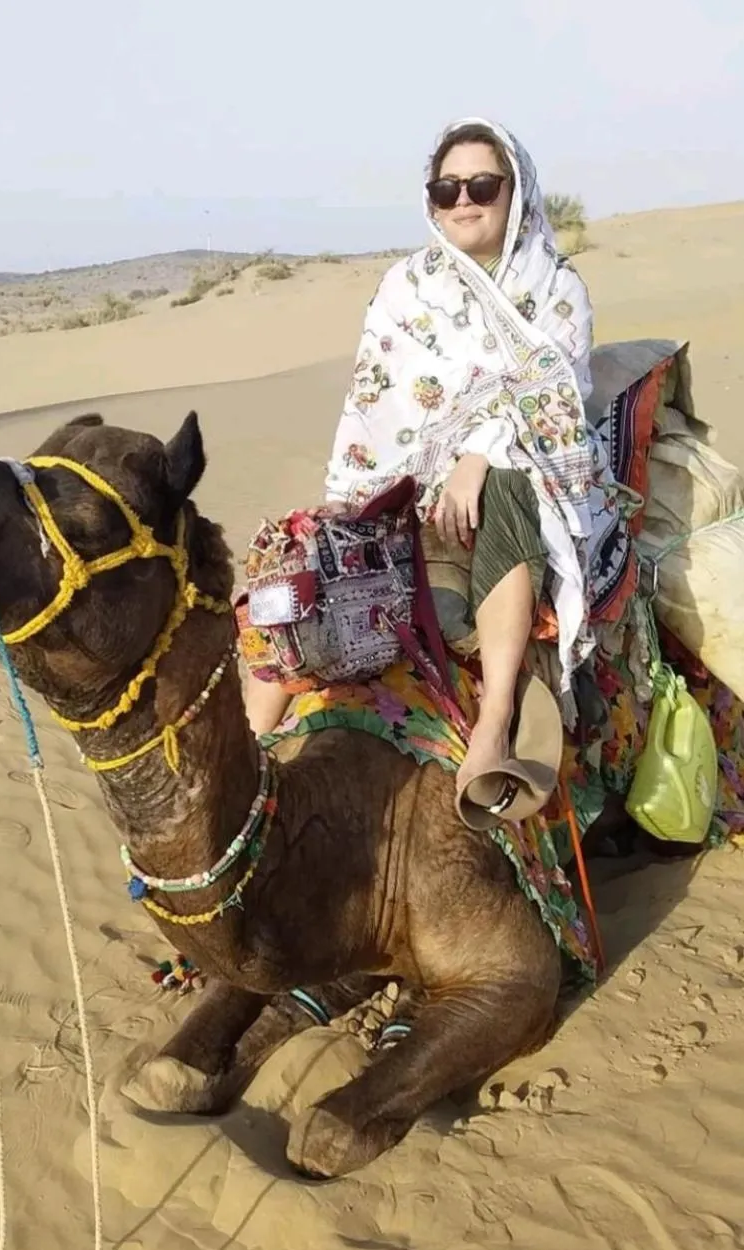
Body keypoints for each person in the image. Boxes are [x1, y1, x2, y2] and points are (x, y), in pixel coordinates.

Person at [245, 116, 612, 824]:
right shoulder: (406, 287)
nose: (463, 201)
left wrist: (479, 452)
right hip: (406, 468)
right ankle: (247, 756)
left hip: (525, 466)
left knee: (509, 482)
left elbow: (556, 393)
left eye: (481, 184)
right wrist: (366, 490)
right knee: (305, 558)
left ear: (518, 193)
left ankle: (495, 719)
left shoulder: (554, 285)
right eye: (446, 189)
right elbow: (374, 401)